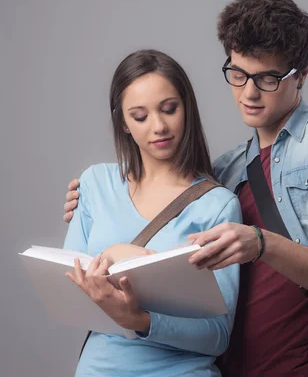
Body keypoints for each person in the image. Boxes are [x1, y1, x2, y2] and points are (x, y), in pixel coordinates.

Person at [64, 0, 308, 376]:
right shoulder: (226, 171)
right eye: (238, 73)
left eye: (267, 78)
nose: (249, 93)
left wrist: (262, 243)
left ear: (302, 73)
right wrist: (89, 201)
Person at [62, 49, 242, 377]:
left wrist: (140, 321)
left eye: (169, 109)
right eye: (140, 116)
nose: (158, 127)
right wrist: (114, 255)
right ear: (124, 124)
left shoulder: (218, 205)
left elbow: (218, 336)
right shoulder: (94, 184)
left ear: (187, 108)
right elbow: (69, 295)